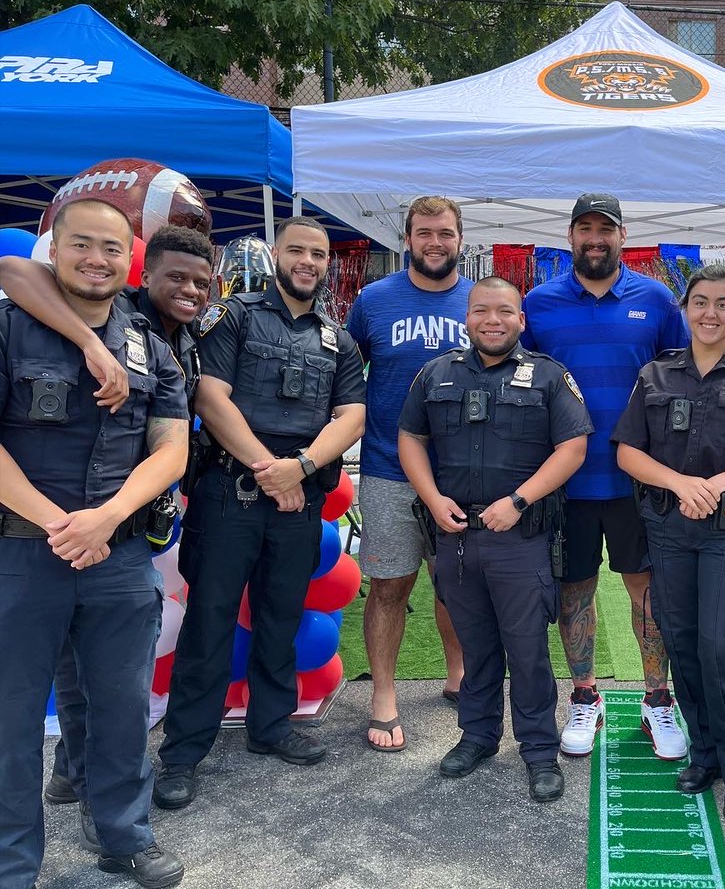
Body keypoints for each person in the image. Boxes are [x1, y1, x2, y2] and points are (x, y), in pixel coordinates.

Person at [0, 199, 190, 888]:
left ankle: (124, 838)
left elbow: (170, 450)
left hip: (119, 553)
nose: (97, 259)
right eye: (82, 244)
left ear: (128, 258)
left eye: (112, 248)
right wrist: (62, 522)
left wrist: (106, 517)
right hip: (22, 553)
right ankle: (12, 861)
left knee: (120, 710)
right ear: (55, 248)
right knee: (11, 719)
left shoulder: (147, 343)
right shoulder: (9, 325)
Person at [154, 217, 366, 809]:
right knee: (210, 622)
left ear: (327, 264)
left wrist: (298, 468)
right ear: (277, 255)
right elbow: (209, 397)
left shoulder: (337, 338)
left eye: (317, 253)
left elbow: (351, 416)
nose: (307, 261)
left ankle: (270, 729)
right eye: (296, 249)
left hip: (298, 500)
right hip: (229, 495)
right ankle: (183, 753)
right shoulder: (236, 316)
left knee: (280, 618)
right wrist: (268, 470)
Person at [612, 263, 725, 822]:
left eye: (722, 303)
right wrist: (679, 484)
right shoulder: (656, 375)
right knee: (685, 644)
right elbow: (628, 451)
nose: (710, 313)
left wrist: (714, 485)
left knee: (724, 647)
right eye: (700, 302)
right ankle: (707, 755)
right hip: (671, 531)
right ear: (685, 310)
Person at [398, 276, 592, 802]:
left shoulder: (550, 377)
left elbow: (572, 447)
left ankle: (538, 752)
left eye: (504, 311)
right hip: (455, 535)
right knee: (476, 644)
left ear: (521, 320)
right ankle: (478, 736)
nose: (493, 320)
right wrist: (434, 499)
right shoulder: (435, 374)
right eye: (481, 310)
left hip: (520, 536)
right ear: (467, 318)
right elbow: (410, 438)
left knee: (527, 649)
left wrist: (520, 501)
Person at [522, 192, 689, 760]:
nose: (596, 238)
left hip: (638, 480)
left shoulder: (658, 299)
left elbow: (681, 381)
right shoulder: (538, 304)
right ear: (570, 236)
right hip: (564, 480)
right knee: (576, 588)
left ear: (623, 236)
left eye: (606, 228)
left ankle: (657, 700)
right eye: (585, 228)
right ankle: (585, 696)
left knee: (647, 589)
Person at [345, 196, 468, 752]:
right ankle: (384, 695)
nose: (435, 243)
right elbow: (346, 377)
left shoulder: (482, 302)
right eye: (424, 233)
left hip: (466, 472)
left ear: (460, 238)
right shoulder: (373, 301)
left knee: (457, 584)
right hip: (389, 469)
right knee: (391, 584)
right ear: (407, 238)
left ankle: (458, 676)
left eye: (445, 233)